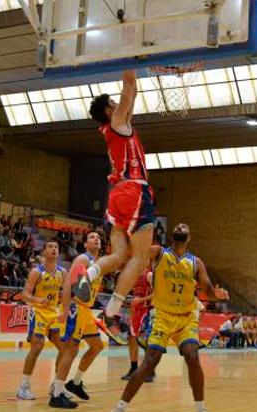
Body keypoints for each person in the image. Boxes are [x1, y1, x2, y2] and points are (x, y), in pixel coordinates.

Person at [108, 223, 229, 412]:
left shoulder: (195, 263)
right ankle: (118, 410)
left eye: (185, 226)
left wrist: (215, 295)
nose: (181, 226)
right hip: (162, 315)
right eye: (178, 225)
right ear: (173, 236)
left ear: (188, 238)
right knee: (151, 361)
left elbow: (207, 288)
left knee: (192, 355)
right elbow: (134, 254)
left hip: (185, 317)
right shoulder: (159, 253)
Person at [74, 70, 156, 340]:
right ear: (110, 111)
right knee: (140, 258)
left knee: (120, 256)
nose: (118, 107)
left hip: (116, 194)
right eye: (114, 105)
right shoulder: (117, 121)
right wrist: (129, 62)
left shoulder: (117, 127)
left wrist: (132, 87)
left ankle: (90, 273)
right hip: (134, 190)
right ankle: (111, 311)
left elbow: (131, 98)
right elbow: (130, 88)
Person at [50, 230, 106, 409]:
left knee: (97, 345)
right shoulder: (83, 259)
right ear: (85, 244)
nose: (95, 238)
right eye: (91, 237)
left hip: (86, 310)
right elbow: (68, 284)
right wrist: (65, 310)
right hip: (75, 307)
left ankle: (75, 382)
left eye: (97, 237)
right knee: (70, 350)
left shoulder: (99, 263)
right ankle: (56, 394)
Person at [16, 241, 66, 400]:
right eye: (50, 246)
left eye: (56, 247)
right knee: (37, 347)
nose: (54, 249)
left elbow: (65, 293)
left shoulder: (62, 272)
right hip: (38, 312)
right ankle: (23, 387)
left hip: (53, 313)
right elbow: (24, 295)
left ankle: (56, 386)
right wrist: (38, 300)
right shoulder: (36, 272)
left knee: (64, 348)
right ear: (44, 251)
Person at [122, 265, 154, 381]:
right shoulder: (134, 276)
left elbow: (158, 293)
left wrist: (140, 300)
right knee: (132, 339)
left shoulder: (149, 275)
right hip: (136, 312)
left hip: (147, 311)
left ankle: (149, 371)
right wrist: (131, 312)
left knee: (145, 340)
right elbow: (135, 297)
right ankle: (133, 368)